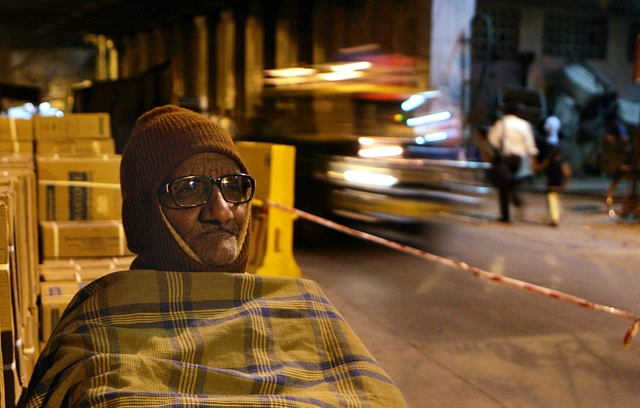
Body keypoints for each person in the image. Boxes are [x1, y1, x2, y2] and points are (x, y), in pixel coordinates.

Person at [21, 105, 407, 407]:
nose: (222, 211)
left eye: (234, 186)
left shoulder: (303, 304)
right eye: (189, 189)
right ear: (142, 216)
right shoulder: (98, 324)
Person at [487, 108, 539, 223]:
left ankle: (505, 215)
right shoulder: (524, 125)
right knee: (512, 180)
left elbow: (492, 139)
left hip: (504, 159)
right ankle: (515, 196)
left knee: (503, 186)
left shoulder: (502, 124)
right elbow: (530, 144)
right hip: (518, 160)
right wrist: (533, 158)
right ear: (518, 113)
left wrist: (499, 147)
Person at [541, 116, 571, 226]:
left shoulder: (549, 160)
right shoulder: (562, 161)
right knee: (556, 201)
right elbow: (567, 172)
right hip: (558, 185)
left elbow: (541, 167)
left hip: (551, 185)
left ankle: (555, 218)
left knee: (552, 201)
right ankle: (556, 217)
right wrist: (566, 182)